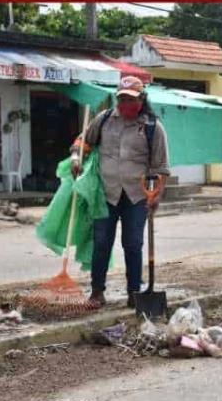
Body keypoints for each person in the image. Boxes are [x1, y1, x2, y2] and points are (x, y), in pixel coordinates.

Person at [70, 76, 170, 308]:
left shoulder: (152, 127)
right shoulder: (104, 120)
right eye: (122, 99)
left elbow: (161, 167)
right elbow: (82, 142)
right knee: (102, 242)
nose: (126, 104)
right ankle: (97, 292)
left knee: (133, 243)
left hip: (136, 195)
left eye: (131, 100)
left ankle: (134, 292)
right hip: (106, 193)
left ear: (142, 100)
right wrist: (77, 158)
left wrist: (157, 194)